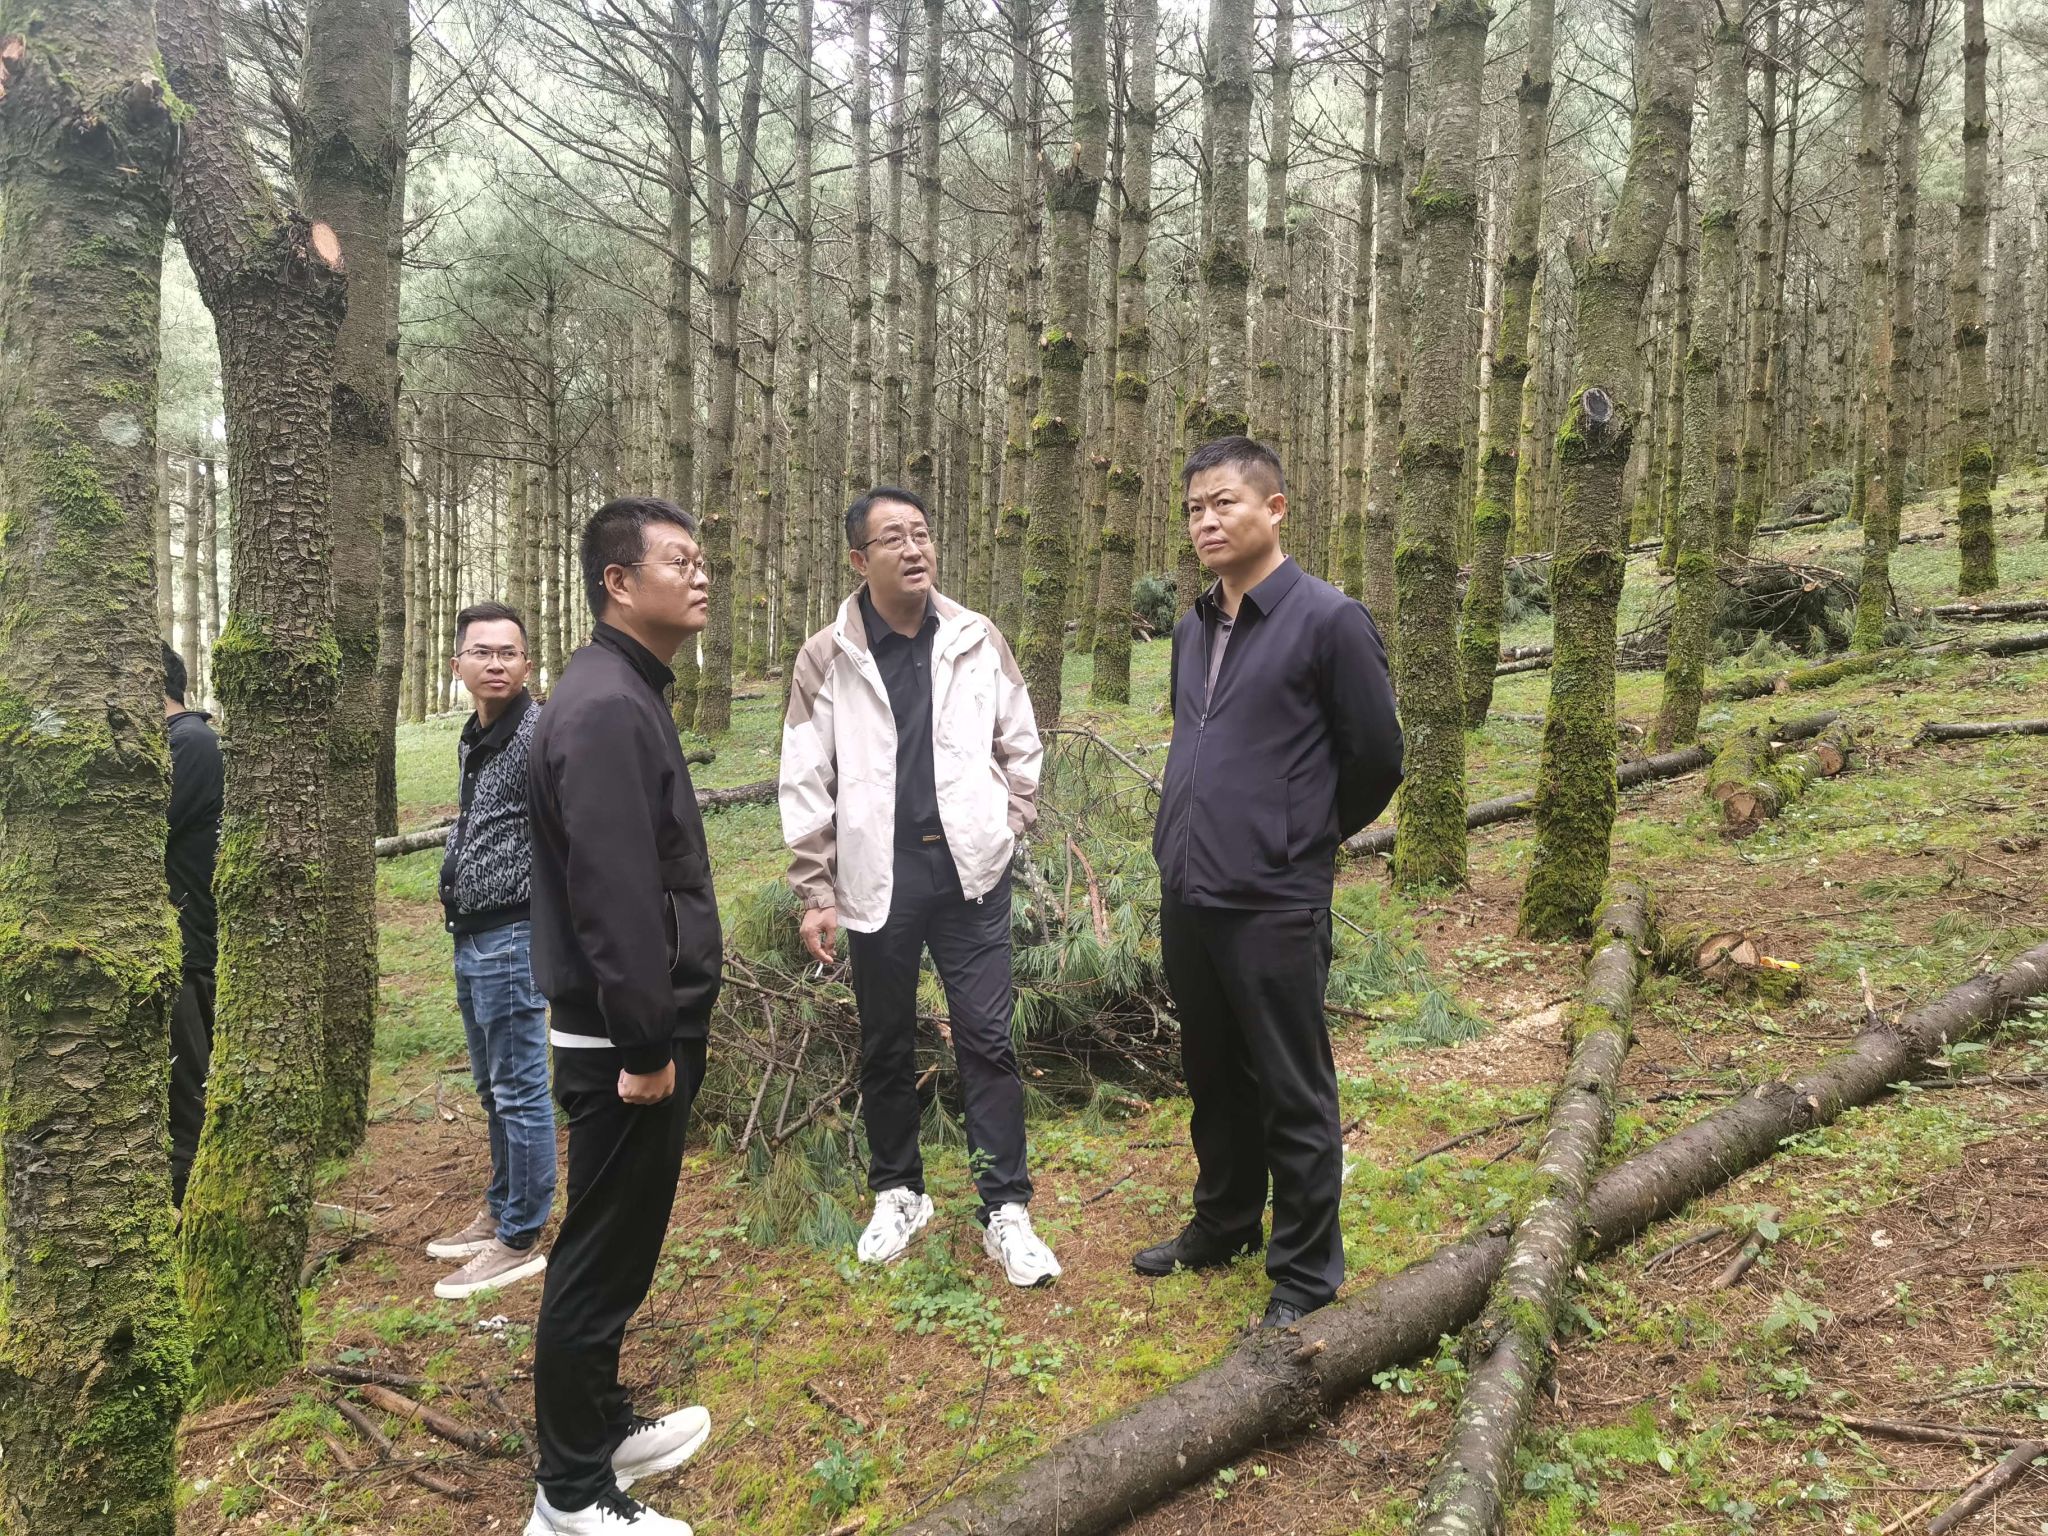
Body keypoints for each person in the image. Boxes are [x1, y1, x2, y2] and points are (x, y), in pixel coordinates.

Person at [1136, 436, 1403, 1330]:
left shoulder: (1329, 620)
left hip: (1276, 896)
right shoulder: (1191, 627)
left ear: (1274, 509)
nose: (1206, 522)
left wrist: (1301, 838)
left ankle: (1305, 1272)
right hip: (1190, 887)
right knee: (1213, 1072)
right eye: (1194, 509)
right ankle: (1225, 1223)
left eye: (1224, 503)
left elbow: (1377, 757)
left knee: (1292, 1082)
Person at [779, 486, 1060, 1287]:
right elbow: (805, 777)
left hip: (970, 872)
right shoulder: (826, 657)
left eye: (922, 534)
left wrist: (1010, 819)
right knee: (885, 1041)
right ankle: (899, 1192)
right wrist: (817, 888)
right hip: (878, 877)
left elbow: (1020, 737)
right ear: (858, 559)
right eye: (893, 538)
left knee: (987, 1039)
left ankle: (1006, 1208)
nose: (914, 549)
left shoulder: (975, 635)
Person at [522, 498, 720, 1535]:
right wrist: (645, 1043)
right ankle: (569, 1494)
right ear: (617, 582)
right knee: (599, 1258)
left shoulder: (624, 690)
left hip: (631, 1029)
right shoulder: (602, 705)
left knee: (621, 1245)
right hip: (619, 1039)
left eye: (701, 560)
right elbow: (611, 893)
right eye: (678, 561)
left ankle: (598, 1426)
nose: (700, 576)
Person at [427, 602, 558, 1301]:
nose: (497, 663)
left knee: (518, 1087)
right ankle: (503, 1206)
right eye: (482, 652)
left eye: (509, 652)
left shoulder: (539, 733)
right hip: (470, 931)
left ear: (527, 664)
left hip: (514, 934)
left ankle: (520, 1236)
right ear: (458, 666)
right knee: (491, 1088)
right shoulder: (475, 734)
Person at [164, 643, 222, 1208]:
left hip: (187, 948)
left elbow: (143, 827)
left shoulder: (190, 743)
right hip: (175, 944)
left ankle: (192, 1210)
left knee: (188, 1096)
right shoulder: (182, 740)